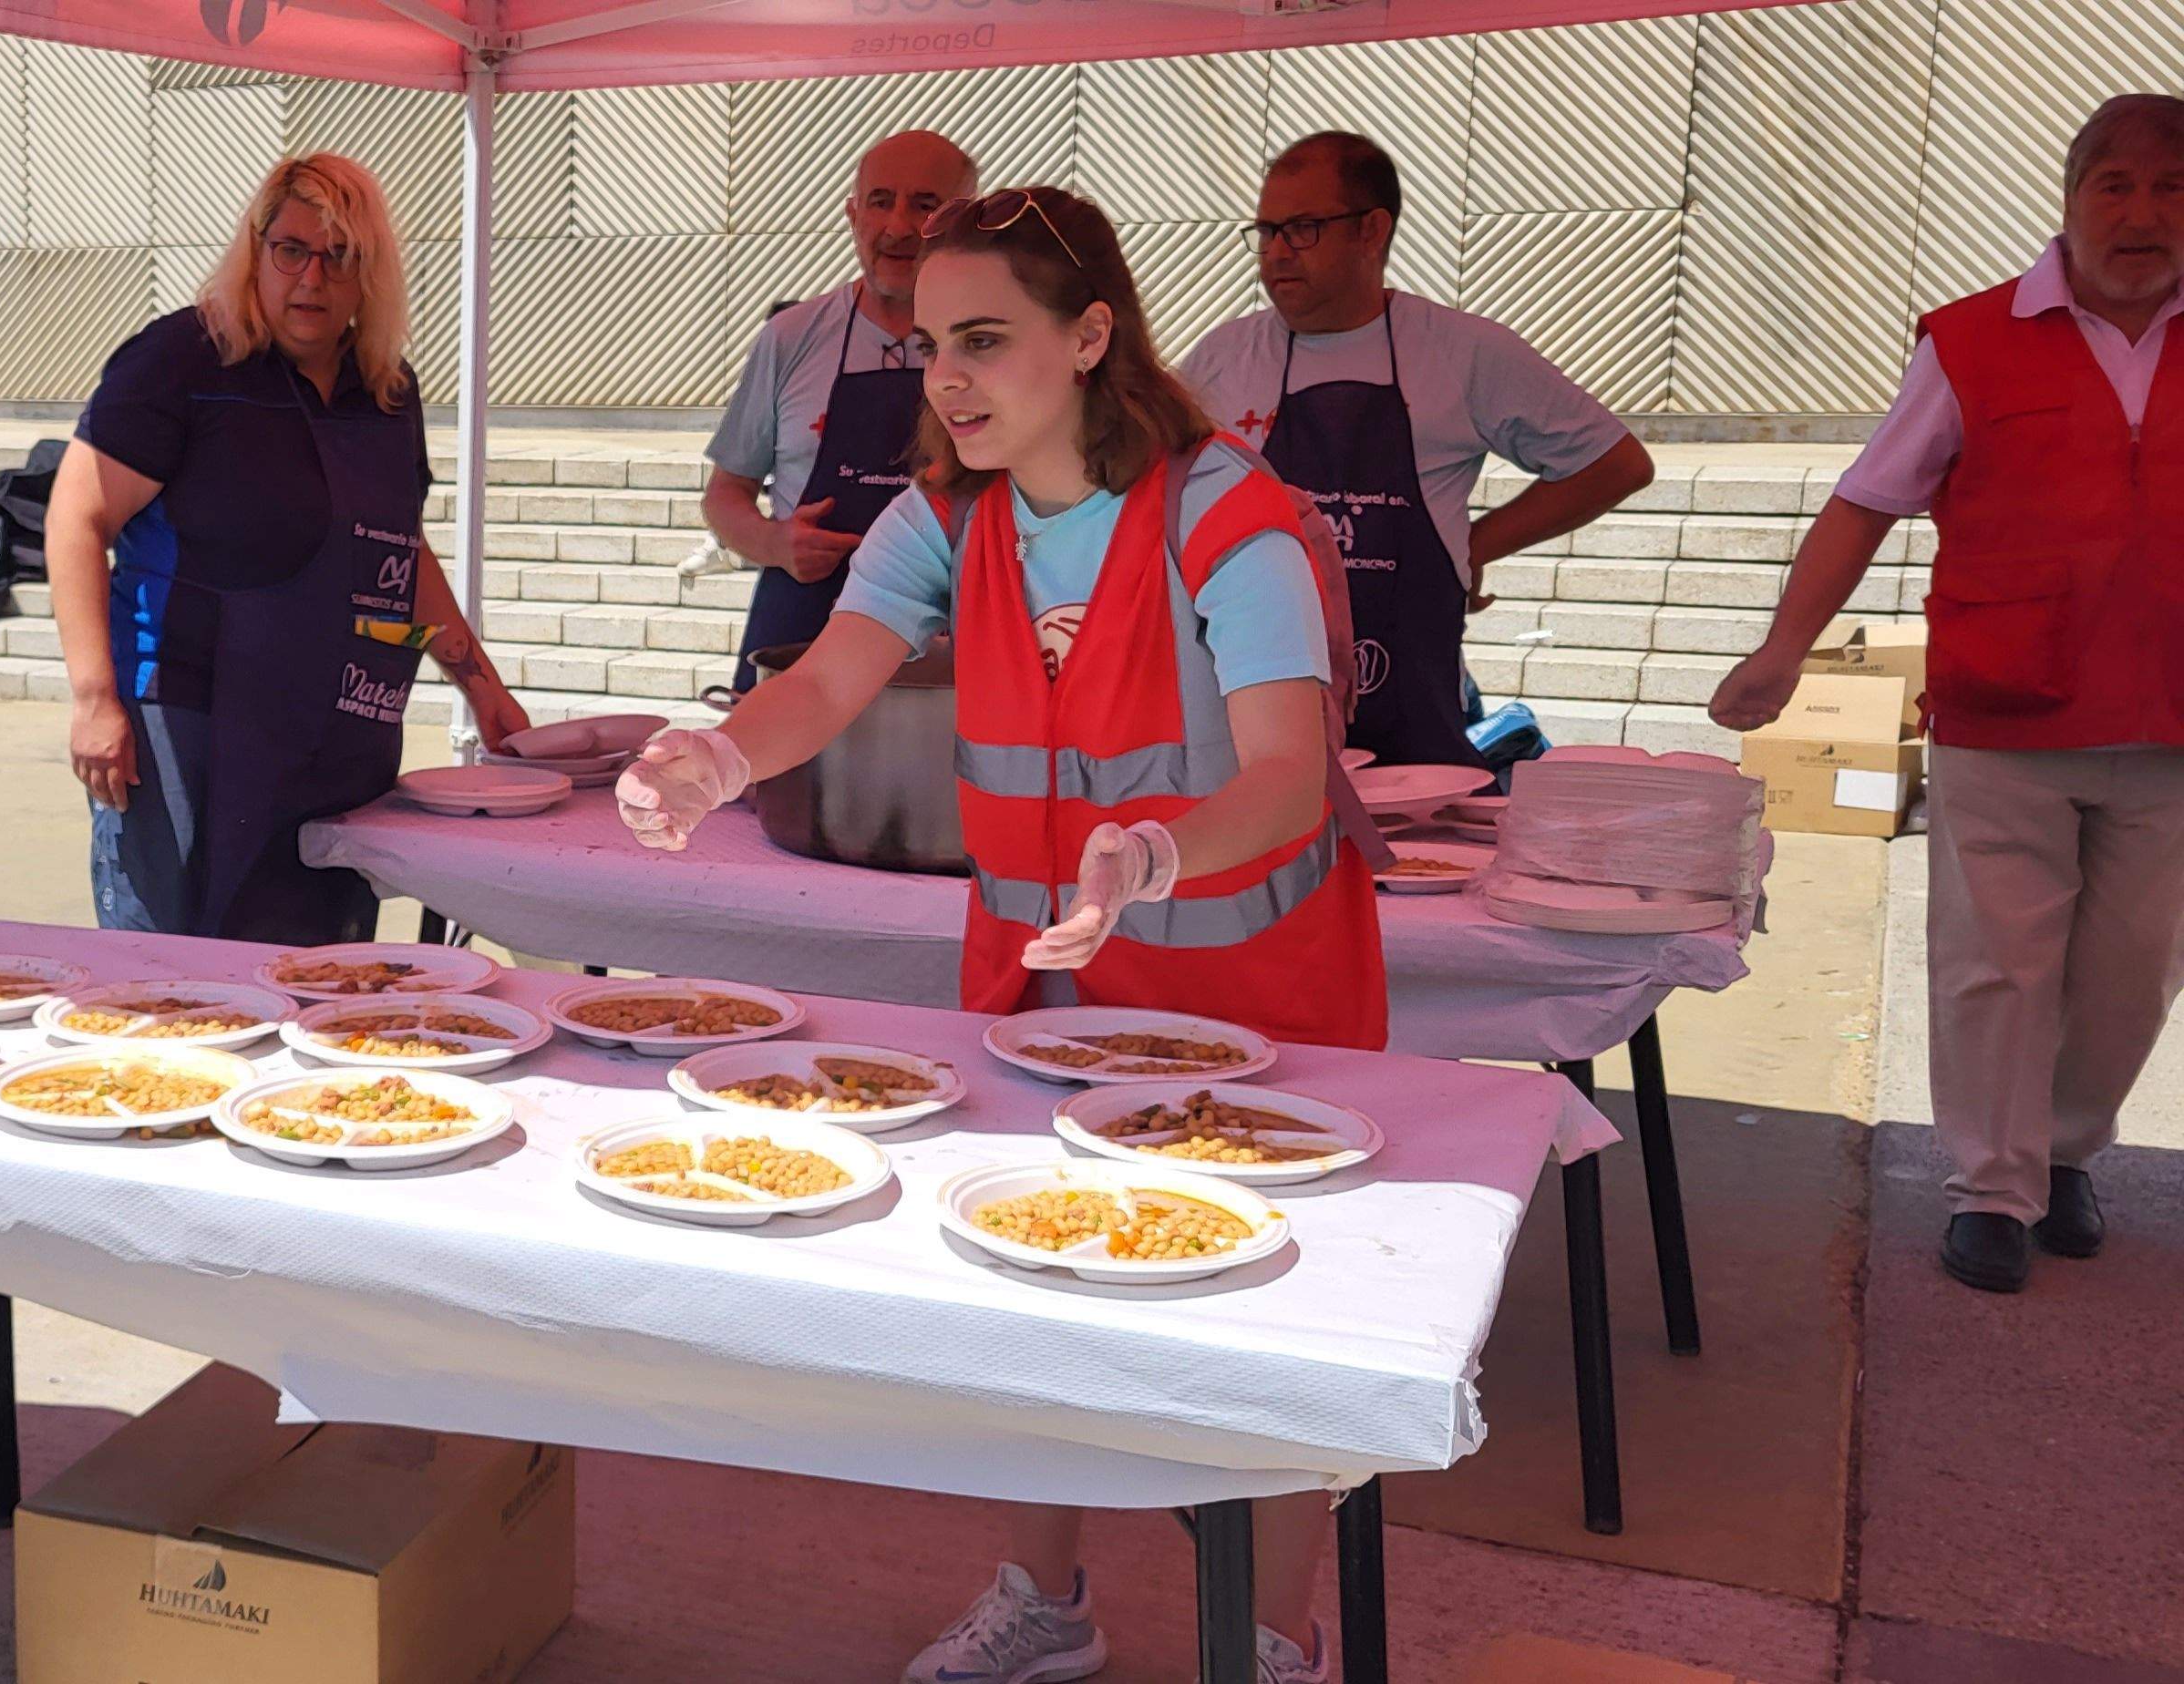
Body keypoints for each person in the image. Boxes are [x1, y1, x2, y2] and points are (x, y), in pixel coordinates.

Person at [615, 186, 1373, 1684]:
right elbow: (826, 684)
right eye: (924, 343)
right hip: (1046, 989)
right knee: (1035, 1283)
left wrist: (1156, 845)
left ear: (1091, 337)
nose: (945, 379)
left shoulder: (1230, 516)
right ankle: (1048, 1597)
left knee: (1277, 1330)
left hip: (1255, 989)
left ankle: (1280, 1640)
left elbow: (1288, 768)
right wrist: (718, 753)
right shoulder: (946, 515)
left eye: (983, 340)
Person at [1710, 94, 2184, 1295]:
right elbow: (1868, 498)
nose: (2142, 214)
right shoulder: (1973, 341)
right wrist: (1784, 650)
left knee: (2135, 969)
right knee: (1997, 961)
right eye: (2115, 186)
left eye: (2173, 189)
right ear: (2070, 201)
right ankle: (1992, 1186)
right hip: (2009, 711)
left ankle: (2068, 1151)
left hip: (2173, 722)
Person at [51, 154, 529, 942]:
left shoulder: (385, 389)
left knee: (327, 974)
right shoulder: (181, 360)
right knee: (177, 981)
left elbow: (398, 554)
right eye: (292, 250)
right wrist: (95, 699)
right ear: (256, 247)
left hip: (336, 731)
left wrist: (483, 689)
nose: (312, 278)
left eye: (340, 257)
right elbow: (76, 518)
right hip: (188, 723)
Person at [1181, 131, 1654, 769]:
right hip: (1255, 707)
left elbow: (1615, 464)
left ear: (1371, 231)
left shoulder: (1460, 350)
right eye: (1265, 232)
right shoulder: (1222, 357)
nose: (1275, 255)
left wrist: (1472, 544)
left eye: (1302, 229)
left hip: (1411, 718)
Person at [704, 130, 978, 693]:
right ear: (853, 213)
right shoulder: (792, 336)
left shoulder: (995, 342)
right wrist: (774, 543)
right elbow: (725, 494)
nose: (899, 227)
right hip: (804, 637)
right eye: (881, 201)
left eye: (925, 206)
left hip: (957, 644)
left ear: (963, 221)